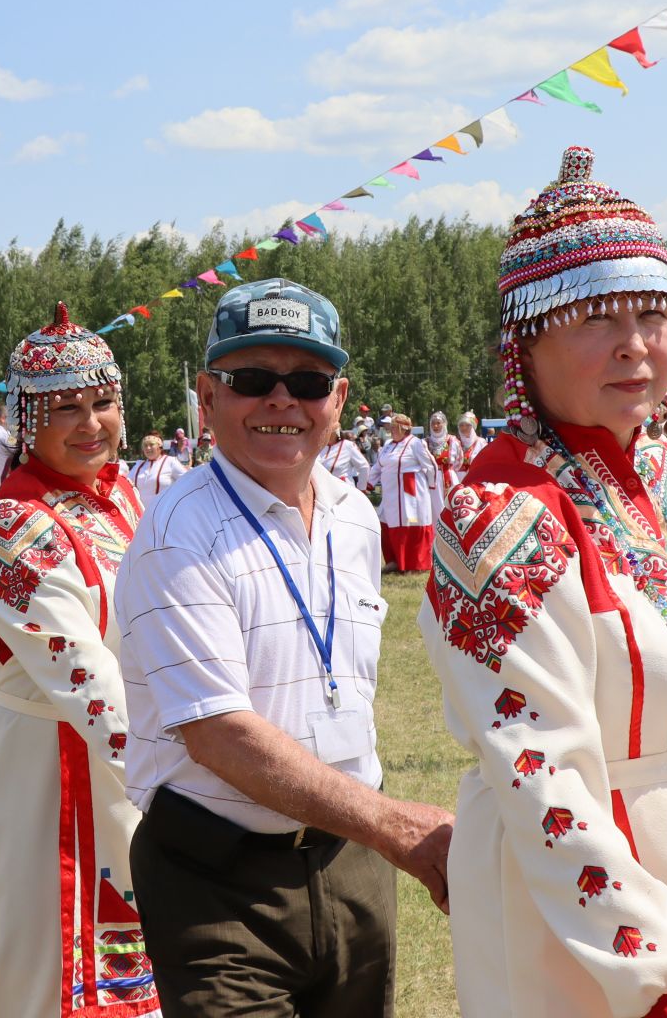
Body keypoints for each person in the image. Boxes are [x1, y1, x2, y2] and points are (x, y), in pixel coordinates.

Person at [421, 146, 667, 1017]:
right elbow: (536, 769)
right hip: (584, 911)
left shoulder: (656, 474)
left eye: (654, 314)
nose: (636, 347)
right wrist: (663, 979)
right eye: (595, 318)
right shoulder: (499, 518)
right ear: (527, 345)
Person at [116, 277, 450, 1018]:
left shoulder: (356, 518)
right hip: (219, 879)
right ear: (206, 398)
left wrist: (371, 834)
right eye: (251, 380)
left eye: (307, 380)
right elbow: (220, 735)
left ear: (340, 397)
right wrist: (395, 826)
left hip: (352, 861)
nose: (281, 400)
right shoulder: (178, 534)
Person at [0, 305, 157, 1017]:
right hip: (39, 759)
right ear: (23, 418)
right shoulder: (14, 523)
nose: (90, 424)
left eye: (102, 403)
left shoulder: (122, 498)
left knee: (134, 946)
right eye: (65, 408)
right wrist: (180, 771)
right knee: (35, 952)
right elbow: (85, 676)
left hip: (128, 750)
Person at [368, 412, 439, 572]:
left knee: (411, 522)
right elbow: (377, 467)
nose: (391, 430)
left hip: (411, 493)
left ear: (404, 429)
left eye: (394, 427)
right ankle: (393, 561)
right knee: (386, 522)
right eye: (391, 427)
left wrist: (431, 487)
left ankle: (415, 564)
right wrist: (369, 484)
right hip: (390, 494)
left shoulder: (416, 444)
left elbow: (431, 466)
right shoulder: (387, 446)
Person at [424, 409, 465, 521]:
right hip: (431, 480)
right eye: (433, 423)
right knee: (432, 508)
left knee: (450, 506)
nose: (436, 426)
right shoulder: (425, 442)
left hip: (449, 477)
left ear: (444, 424)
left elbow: (459, 460)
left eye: (438, 423)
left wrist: (449, 471)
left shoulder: (452, 440)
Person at [126, 433, 186, 503]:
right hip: (142, 512)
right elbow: (127, 483)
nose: (148, 448)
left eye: (151, 444)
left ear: (159, 446)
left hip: (164, 511)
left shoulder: (170, 462)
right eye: (145, 445)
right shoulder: (139, 465)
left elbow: (187, 480)